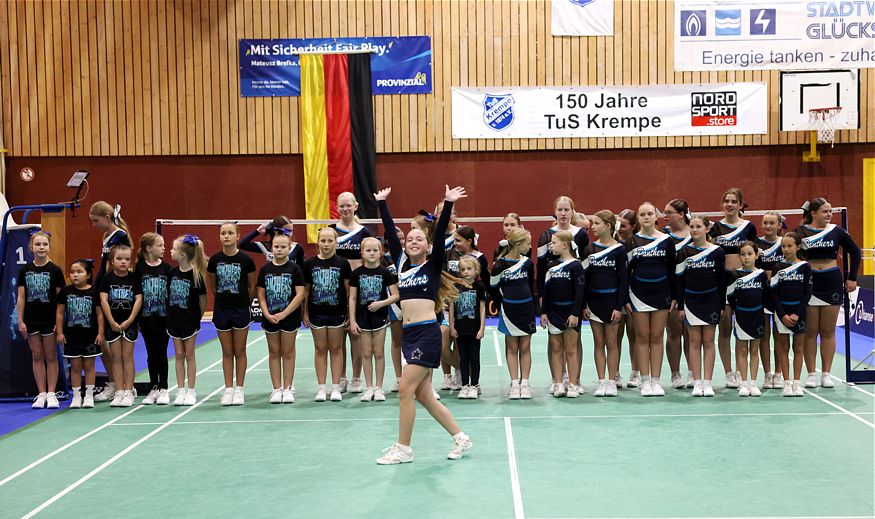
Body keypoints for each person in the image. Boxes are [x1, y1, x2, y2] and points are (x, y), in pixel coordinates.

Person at [374, 185, 472, 465]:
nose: (413, 242)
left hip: (428, 334)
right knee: (424, 396)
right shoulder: (403, 268)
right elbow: (392, 235)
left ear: (428, 247)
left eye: (419, 239)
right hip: (409, 334)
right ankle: (461, 437)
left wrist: (449, 204)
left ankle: (403, 448)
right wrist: (382, 204)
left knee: (405, 390)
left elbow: (440, 234)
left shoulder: (431, 265)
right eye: (410, 240)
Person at [795, 198, 862, 388]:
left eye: (830, 211)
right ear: (813, 213)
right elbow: (790, 252)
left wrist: (852, 277)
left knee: (828, 330)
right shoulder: (800, 232)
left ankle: (826, 374)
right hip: (809, 282)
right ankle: (811, 374)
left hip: (831, 281)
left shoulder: (837, 231)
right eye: (825, 211)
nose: (829, 214)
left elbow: (855, 252)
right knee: (810, 331)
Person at [537, 196, 589, 390]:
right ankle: (557, 380)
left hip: (573, 297)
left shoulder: (581, 235)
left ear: (573, 212)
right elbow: (541, 268)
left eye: (567, 209)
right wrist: (542, 296)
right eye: (560, 209)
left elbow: (584, 269)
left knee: (574, 340)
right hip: (553, 295)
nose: (563, 213)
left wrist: (582, 304)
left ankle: (575, 380)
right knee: (555, 340)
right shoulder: (546, 235)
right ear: (555, 211)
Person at [625, 202, 676, 397]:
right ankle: (644, 381)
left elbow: (672, 270)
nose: (646, 217)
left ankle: (656, 380)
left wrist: (674, 296)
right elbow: (626, 272)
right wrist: (625, 299)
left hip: (661, 294)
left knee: (656, 336)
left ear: (656, 217)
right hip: (638, 294)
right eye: (642, 214)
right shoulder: (631, 242)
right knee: (642, 337)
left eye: (649, 214)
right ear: (637, 218)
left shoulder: (666, 241)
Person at [709, 188, 757, 388]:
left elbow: (753, 254)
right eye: (726, 201)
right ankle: (729, 373)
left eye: (733, 201)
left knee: (744, 328)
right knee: (725, 328)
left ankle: (741, 371)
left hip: (745, 281)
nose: (729, 204)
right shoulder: (715, 228)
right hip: (723, 282)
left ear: (740, 204)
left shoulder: (749, 227)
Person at [675, 215, 726, 397]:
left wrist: (721, 305)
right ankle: (697, 382)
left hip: (711, 301)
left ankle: (708, 382)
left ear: (706, 229)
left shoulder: (717, 252)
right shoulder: (683, 252)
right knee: (694, 342)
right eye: (692, 227)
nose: (695, 230)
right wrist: (681, 305)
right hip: (691, 302)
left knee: (709, 341)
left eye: (698, 227)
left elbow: (721, 281)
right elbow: (679, 281)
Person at [207, 222, 257, 406]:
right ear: (219, 236)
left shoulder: (246, 260)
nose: (226, 236)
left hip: (241, 309)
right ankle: (228, 389)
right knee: (227, 352)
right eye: (223, 233)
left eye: (230, 233)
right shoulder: (214, 261)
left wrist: (245, 303)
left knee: (240, 350)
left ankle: (240, 389)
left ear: (237, 235)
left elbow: (251, 286)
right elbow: (213, 287)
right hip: (222, 310)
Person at [581, 210, 628, 398]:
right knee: (598, 343)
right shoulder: (589, 250)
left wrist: (618, 307)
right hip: (594, 302)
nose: (593, 227)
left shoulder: (620, 249)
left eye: (597, 223)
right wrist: (584, 305)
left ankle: (611, 380)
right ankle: (601, 382)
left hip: (612, 303)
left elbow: (623, 280)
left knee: (612, 343)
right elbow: (583, 279)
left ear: (608, 226)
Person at [17, 230, 65, 409]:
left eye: (45, 244)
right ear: (31, 247)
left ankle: (52, 393)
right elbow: (21, 297)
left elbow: (61, 301)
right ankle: (41, 393)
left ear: (49, 247)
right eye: (38, 244)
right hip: (31, 319)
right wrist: (21, 320)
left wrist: (59, 324)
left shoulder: (55, 270)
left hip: (49, 320)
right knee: (37, 355)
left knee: (51, 355)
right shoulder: (25, 271)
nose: (41, 247)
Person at [89, 201, 132, 403]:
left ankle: (120, 384)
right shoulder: (106, 236)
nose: (94, 225)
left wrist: (103, 289)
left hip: (111, 293)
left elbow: (113, 267)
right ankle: (115, 382)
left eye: (95, 220)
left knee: (112, 341)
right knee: (102, 339)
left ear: (107, 217)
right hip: (99, 288)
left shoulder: (120, 236)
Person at [257, 229, 306, 404]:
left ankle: (287, 388)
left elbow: (300, 294)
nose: (279, 249)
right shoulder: (265, 269)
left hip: (289, 317)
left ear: (289, 248)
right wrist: (266, 313)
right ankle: (276, 389)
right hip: (270, 317)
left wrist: (285, 313)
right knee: (274, 352)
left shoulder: (295, 269)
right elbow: (261, 294)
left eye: (282, 247)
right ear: (271, 248)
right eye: (276, 246)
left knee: (288, 352)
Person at [304, 227, 352, 402]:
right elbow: (306, 291)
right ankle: (321, 387)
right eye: (322, 241)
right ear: (317, 242)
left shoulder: (343, 263)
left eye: (330, 240)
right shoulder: (309, 264)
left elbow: (348, 291)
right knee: (320, 349)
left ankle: (336, 386)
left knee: (336, 348)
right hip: (316, 313)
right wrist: (305, 313)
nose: (326, 244)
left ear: (336, 242)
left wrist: (349, 313)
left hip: (337, 313)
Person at [349, 237, 399, 402]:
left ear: (381, 252)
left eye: (375, 250)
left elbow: (396, 295)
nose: (372, 253)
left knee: (378, 352)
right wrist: (353, 320)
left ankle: (378, 388)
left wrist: (380, 303)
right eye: (368, 250)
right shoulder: (356, 273)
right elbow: (353, 299)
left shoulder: (385, 272)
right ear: (362, 253)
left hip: (379, 318)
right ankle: (368, 387)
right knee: (366, 353)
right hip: (362, 319)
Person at [332, 192, 373, 394]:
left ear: (356, 206)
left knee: (355, 335)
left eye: (349, 205)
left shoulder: (365, 232)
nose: (345, 209)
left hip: (358, 291)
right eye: (342, 206)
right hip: (336, 291)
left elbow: (370, 262)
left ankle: (357, 378)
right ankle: (341, 378)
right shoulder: (331, 231)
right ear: (337, 207)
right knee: (338, 337)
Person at [492, 228, 537, 400]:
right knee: (512, 347)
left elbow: (530, 285)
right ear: (518, 244)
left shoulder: (527, 263)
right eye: (528, 243)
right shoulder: (499, 265)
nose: (530, 246)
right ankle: (514, 383)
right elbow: (494, 288)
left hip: (526, 310)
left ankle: (524, 383)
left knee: (525, 347)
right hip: (509, 311)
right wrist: (502, 306)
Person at [541, 231, 585, 398]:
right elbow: (546, 289)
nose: (551, 246)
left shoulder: (576, 266)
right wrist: (544, 312)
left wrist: (575, 314)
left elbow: (580, 292)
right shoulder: (550, 266)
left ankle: (573, 384)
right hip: (554, 312)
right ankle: (558, 383)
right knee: (556, 348)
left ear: (565, 244)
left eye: (554, 243)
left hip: (570, 313)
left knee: (571, 349)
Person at [99, 244, 143, 407]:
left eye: (126, 259)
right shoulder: (107, 278)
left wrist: (130, 320)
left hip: (129, 324)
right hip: (113, 324)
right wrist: (111, 321)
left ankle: (129, 390)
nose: (123, 262)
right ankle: (119, 391)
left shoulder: (134, 278)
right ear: (112, 261)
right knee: (116, 358)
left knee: (127, 357)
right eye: (119, 259)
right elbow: (103, 300)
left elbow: (138, 299)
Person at [57, 259, 104, 409]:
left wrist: (101, 332)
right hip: (72, 336)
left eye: (79, 272)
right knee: (76, 367)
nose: (75, 275)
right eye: (72, 272)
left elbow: (99, 314)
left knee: (89, 366)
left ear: (88, 275)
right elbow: (59, 313)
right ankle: (76, 396)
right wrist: (59, 332)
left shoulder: (94, 292)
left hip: (90, 336)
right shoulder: (66, 292)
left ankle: (89, 395)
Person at [167, 235, 208, 406]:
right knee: (178, 355)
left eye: (174, 249)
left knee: (189, 354)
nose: (171, 251)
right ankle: (180, 390)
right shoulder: (172, 273)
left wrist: (196, 318)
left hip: (190, 320)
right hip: (174, 320)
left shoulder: (196, 275)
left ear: (182, 254)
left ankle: (191, 391)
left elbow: (203, 301)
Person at [770, 232, 812, 397]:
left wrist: (797, 313)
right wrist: (782, 315)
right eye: (783, 246)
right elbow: (773, 293)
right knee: (783, 347)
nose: (786, 249)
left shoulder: (805, 266)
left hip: (799, 313)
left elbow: (808, 292)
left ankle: (797, 383)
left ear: (797, 247)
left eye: (789, 246)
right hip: (782, 313)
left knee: (798, 347)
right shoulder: (777, 267)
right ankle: (786, 383)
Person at [726, 241, 770, 397]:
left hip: (757, 316)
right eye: (743, 254)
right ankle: (743, 383)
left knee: (754, 349)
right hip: (741, 317)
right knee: (742, 349)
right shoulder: (734, 275)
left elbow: (766, 295)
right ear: (739, 256)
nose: (746, 257)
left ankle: (753, 383)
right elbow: (730, 297)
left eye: (750, 254)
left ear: (756, 255)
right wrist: (738, 311)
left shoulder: (761, 274)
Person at [136, 233, 172, 405]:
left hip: (163, 318)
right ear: (148, 248)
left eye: (164, 245)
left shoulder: (167, 269)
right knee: (151, 353)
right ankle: (153, 387)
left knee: (162, 352)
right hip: (146, 318)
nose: (163, 248)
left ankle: (164, 387)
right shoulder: (139, 269)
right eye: (160, 245)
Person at [663, 199, 694, 389]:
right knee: (673, 332)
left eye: (669, 212)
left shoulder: (696, 233)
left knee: (691, 334)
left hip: (692, 290)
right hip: (671, 290)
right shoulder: (663, 236)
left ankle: (693, 372)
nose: (665, 216)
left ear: (681, 214)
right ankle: (675, 374)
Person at [450, 256, 487, 399]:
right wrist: (452, 326)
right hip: (460, 329)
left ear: (476, 270)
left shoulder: (480, 287)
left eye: (469, 269)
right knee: (463, 358)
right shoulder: (456, 287)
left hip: (474, 329)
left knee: (474, 357)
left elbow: (483, 309)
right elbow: (452, 307)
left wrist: (482, 328)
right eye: (463, 269)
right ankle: (465, 384)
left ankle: (475, 384)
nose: (466, 272)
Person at [757, 211, 786, 389]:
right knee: (764, 335)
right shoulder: (756, 244)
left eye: (772, 223)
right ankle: (767, 374)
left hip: (781, 294)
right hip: (761, 293)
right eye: (765, 223)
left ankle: (779, 373)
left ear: (779, 225)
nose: (768, 226)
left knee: (780, 336)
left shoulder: (785, 243)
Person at [616, 209, 638, 388]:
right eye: (618, 224)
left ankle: (635, 373)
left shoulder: (636, 244)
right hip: (615, 296)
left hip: (633, 295)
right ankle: (614, 374)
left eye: (623, 226)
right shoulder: (611, 243)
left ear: (633, 227)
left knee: (634, 336)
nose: (619, 229)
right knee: (615, 336)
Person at [239, 215, 305, 268]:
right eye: (287, 231)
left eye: (291, 231)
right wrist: (257, 231)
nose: (290, 234)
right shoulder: (266, 247)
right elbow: (241, 245)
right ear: (276, 231)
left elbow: (302, 269)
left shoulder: (296, 247)